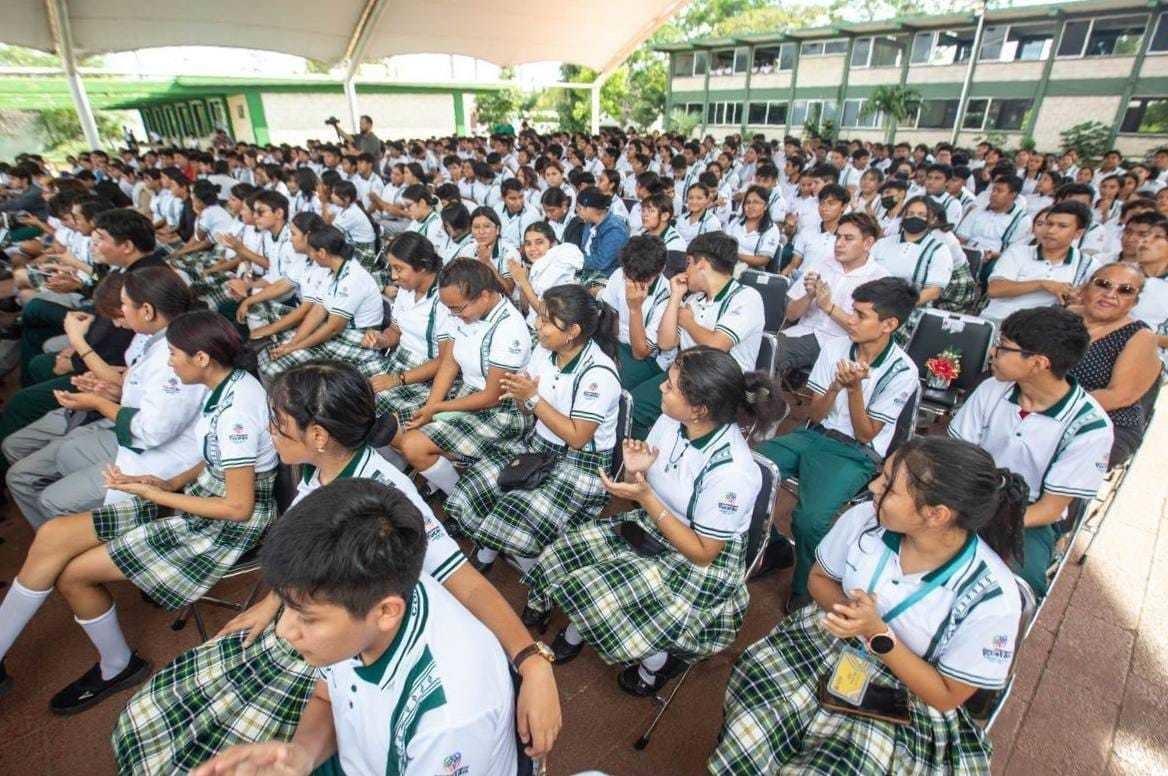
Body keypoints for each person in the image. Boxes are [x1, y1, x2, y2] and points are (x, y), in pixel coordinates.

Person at [113, 361, 562, 773]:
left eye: (279, 424)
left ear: (319, 436)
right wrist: (274, 606)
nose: (269, 432)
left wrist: (530, 661)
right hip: (351, 640)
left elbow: (463, 581)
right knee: (167, 712)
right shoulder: (319, 480)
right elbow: (331, 673)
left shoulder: (381, 504)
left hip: (367, 635)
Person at [0, 310, 277, 712]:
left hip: (221, 523)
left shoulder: (235, 410)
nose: (169, 362)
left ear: (202, 359)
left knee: (73, 575)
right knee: (53, 534)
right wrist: (167, 483)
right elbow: (214, 457)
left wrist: (162, 498)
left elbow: (237, 507)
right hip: (199, 497)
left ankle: (118, 666)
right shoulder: (230, 386)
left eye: (175, 354)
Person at [710, 437, 1026, 776]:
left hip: (907, 697)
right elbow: (819, 579)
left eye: (890, 486)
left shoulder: (993, 598)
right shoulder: (867, 520)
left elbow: (946, 696)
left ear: (936, 514)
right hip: (830, 641)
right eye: (882, 475)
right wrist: (851, 615)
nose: (874, 487)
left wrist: (876, 632)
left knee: (841, 766)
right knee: (753, 712)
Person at [190, 478, 518, 776]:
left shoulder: (448, 720)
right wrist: (300, 755)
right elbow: (329, 697)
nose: (284, 631)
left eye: (306, 617)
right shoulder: (369, 590)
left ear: (387, 612)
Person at [522, 347, 779, 694]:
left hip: (701, 561)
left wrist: (644, 497)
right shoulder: (673, 422)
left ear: (700, 409)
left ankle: (653, 667)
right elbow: (644, 484)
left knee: (595, 590)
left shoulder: (734, 472)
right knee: (562, 552)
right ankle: (583, 628)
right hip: (655, 522)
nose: (661, 388)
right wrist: (635, 473)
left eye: (671, 386)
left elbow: (703, 553)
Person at [757, 277, 920, 607]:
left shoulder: (902, 369)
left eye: (861, 316)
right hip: (813, 435)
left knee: (809, 520)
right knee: (749, 468)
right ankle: (775, 547)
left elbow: (866, 433)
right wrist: (834, 386)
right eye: (852, 312)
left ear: (889, 324)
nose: (851, 320)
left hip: (856, 452)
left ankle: (806, 588)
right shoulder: (836, 347)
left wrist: (855, 389)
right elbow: (815, 414)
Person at [5, 267, 204, 529]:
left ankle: (77, 552)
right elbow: (145, 395)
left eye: (124, 304)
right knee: (62, 458)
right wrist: (114, 391)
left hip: (159, 454)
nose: (121, 312)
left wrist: (100, 402)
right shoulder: (157, 339)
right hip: (136, 437)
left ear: (147, 310)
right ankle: (68, 542)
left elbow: (153, 430)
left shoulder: (174, 354)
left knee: (52, 500)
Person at [949, 306, 1113, 596]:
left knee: (1012, 588)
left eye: (1003, 348)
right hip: (966, 495)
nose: (993, 353)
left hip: (1025, 517)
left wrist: (980, 523)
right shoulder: (992, 389)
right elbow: (956, 455)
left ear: (1038, 363)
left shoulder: (1089, 427)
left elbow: (1049, 509)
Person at [398, 259, 533, 496]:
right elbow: (450, 362)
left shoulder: (509, 328)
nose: (454, 314)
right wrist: (431, 406)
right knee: (397, 427)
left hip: (502, 408)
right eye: (449, 309)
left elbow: (492, 396)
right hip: (468, 395)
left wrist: (437, 408)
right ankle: (448, 476)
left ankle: (456, 494)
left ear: (484, 296)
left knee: (413, 445)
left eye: (458, 308)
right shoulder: (463, 312)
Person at [629, 231, 765, 439]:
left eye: (689, 263)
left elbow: (717, 346)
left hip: (720, 384)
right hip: (686, 376)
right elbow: (665, 343)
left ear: (702, 264)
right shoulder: (695, 300)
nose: (686, 270)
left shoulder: (746, 297)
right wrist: (675, 296)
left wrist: (687, 322)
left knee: (655, 415)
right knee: (634, 406)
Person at [254, 225, 384, 380]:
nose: (310, 256)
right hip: (339, 331)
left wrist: (295, 347)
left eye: (311, 251)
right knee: (269, 356)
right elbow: (318, 310)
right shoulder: (333, 270)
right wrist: (293, 343)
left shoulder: (352, 278)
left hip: (358, 338)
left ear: (322, 253)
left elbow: (333, 329)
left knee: (277, 367)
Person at [776, 212, 890, 379]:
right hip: (801, 334)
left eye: (848, 238)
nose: (839, 244)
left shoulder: (879, 278)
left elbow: (866, 330)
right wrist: (809, 296)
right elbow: (791, 314)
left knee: (772, 354)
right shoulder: (823, 263)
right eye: (838, 237)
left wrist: (828, 307)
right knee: (758, 347)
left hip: (842, 345)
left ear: (868, 243)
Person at [1068, 263, 1160, 467]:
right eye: (1103, 284)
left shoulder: (1140, 336)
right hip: (1039, 404)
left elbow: (1118, 396)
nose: (1111, 294)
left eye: (1125, 290)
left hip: (1106, 421)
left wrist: (1053, 408)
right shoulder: (1061, 316)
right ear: (1086, 287)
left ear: (1134, 301)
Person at [363, 232, 453, 422]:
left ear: (422, 267)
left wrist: (397, 379)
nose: (394, 276)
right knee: (350, 384)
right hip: (400, 361)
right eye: (392, 268)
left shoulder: (444, 299)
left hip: (427, 374)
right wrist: (381, 339)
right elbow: (395, 330)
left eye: (399, 269)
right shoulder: (406, 290)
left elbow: (446, 361)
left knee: (372, 405)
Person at [981, 201, 1097, 324]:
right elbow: (995, 290)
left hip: (1044, 332)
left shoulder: (1087, 265)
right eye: (1049, 224)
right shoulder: (1018, 252)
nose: (1051, 231)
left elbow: (1090, 304)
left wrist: (1076, 300)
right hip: (999, 321)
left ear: (1078, 233)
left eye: (1062, 226)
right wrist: (1042, 284)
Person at [599, 235, 672, 389]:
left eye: (642, 279)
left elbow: (640, 353)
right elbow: (611, 314)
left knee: (607, 383)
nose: (632, 282)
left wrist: (635, 308)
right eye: (628, 275)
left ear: (661, 269)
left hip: (647, 359)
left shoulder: (667, 296)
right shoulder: (621, 273)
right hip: (616, 342)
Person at [870, 196, 953, 308]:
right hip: (872, 302)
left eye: (921, 215)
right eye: (910, 213)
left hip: (910, 308)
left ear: (932, 219)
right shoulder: (883, 243)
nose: (914, 217)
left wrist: (899, 306)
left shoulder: (938, 250)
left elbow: (933, 291)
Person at [510, 221, 584, 327]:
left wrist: (523, 281)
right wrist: (522, 283)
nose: (533, 248)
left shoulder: (560, 265)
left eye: (539, 242)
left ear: (552, 243)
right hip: (533, 327)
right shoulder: (537, 267)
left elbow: (547, 314)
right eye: (528, 243)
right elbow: (527, 309)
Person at [576, 186, 631, 288]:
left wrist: (575, 258)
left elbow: (601, 263)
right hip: (587, 273)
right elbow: (584, 250)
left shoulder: (615, 230)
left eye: (579, 208)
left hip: (607, 279)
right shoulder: (589, 223)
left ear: (589, 209)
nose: (577, 212)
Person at [726, 185, 782, 274]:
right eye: (748, 202)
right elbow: (724, 243)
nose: (750, 206)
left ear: (766, 206)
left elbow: (763, 260)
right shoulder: (736, 222)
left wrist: (736, 256)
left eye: (756, 202)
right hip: (728, 264)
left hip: (752, 272)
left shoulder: (771, 229)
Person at [402, 183, 448, 256]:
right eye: (404, 207)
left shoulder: (437, 224)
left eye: (408, 206)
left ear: (422, 203)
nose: (406, 210)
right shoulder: (416, 221)